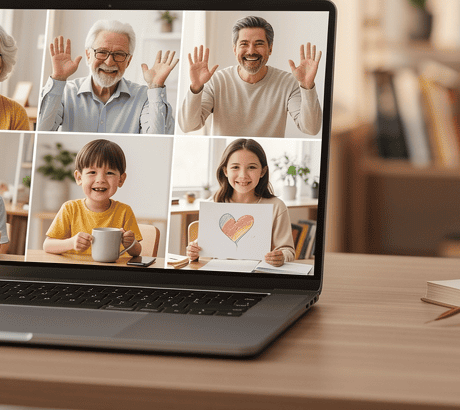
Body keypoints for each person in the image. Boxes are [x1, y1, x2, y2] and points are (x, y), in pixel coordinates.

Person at [178, 16, 322, 138]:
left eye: (259, 44)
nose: (251, 51)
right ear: (235, 49)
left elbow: (311, 129)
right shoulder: (216, 81)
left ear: (270, 48)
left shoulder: (288, 83)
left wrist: (307, 86)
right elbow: (187, 126)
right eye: (244, 44)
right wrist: (195, 87)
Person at [37, 19, 178, 134]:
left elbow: (155, 141)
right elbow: (42, 132)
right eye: (102, 52)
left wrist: (155, 87)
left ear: (128, 61)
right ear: (88, 55)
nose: (109, 62)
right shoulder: (65, 91)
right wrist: (58, 79)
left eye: (119, 54)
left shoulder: (144, 96)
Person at [187, 138, 295, 266]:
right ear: (225, 171)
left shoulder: (277, 207)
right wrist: (194, 252)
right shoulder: (213, 204)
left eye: (251, 167)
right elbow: (203, 248)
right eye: (235, 167)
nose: (243, 175)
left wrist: (281, 256)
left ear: (263, 171)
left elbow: (288, 250)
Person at [43, 138, 142, 258]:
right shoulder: (70, 208)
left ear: (121, 179)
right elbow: (47, 245)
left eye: (109, 173)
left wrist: (131, 243)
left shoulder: (124, 211)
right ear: (79, 178)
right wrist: (71, 243)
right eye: (92, 172)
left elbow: (137, 252)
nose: (100, 180)